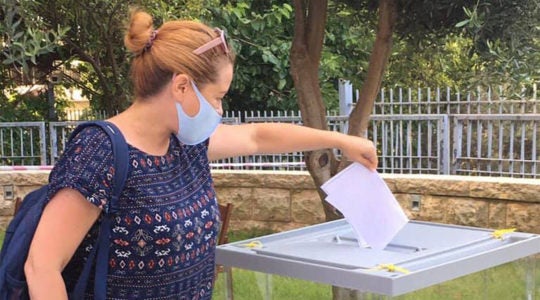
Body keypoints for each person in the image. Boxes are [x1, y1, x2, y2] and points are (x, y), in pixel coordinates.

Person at [24, 8, 378, 300]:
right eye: (217, 97)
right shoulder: (100, 150)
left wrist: (341, 141)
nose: (220, 110)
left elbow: (257, 137)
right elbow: (42, 265)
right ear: (181, 86)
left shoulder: (186, 144)